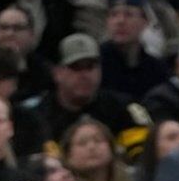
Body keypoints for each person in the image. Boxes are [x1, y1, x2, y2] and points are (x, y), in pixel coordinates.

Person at [27, 33, 151, 165]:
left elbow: (144, 159)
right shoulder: (37, 118)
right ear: (57, 73)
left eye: (90, 67)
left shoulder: (124, 108)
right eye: (75, 67)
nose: (84, 75)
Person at [99, 0, 167, 102]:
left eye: (129, 14)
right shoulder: (97, 64)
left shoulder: (156, 69)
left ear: (145, 22)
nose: (120, 21)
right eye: (114, 14)